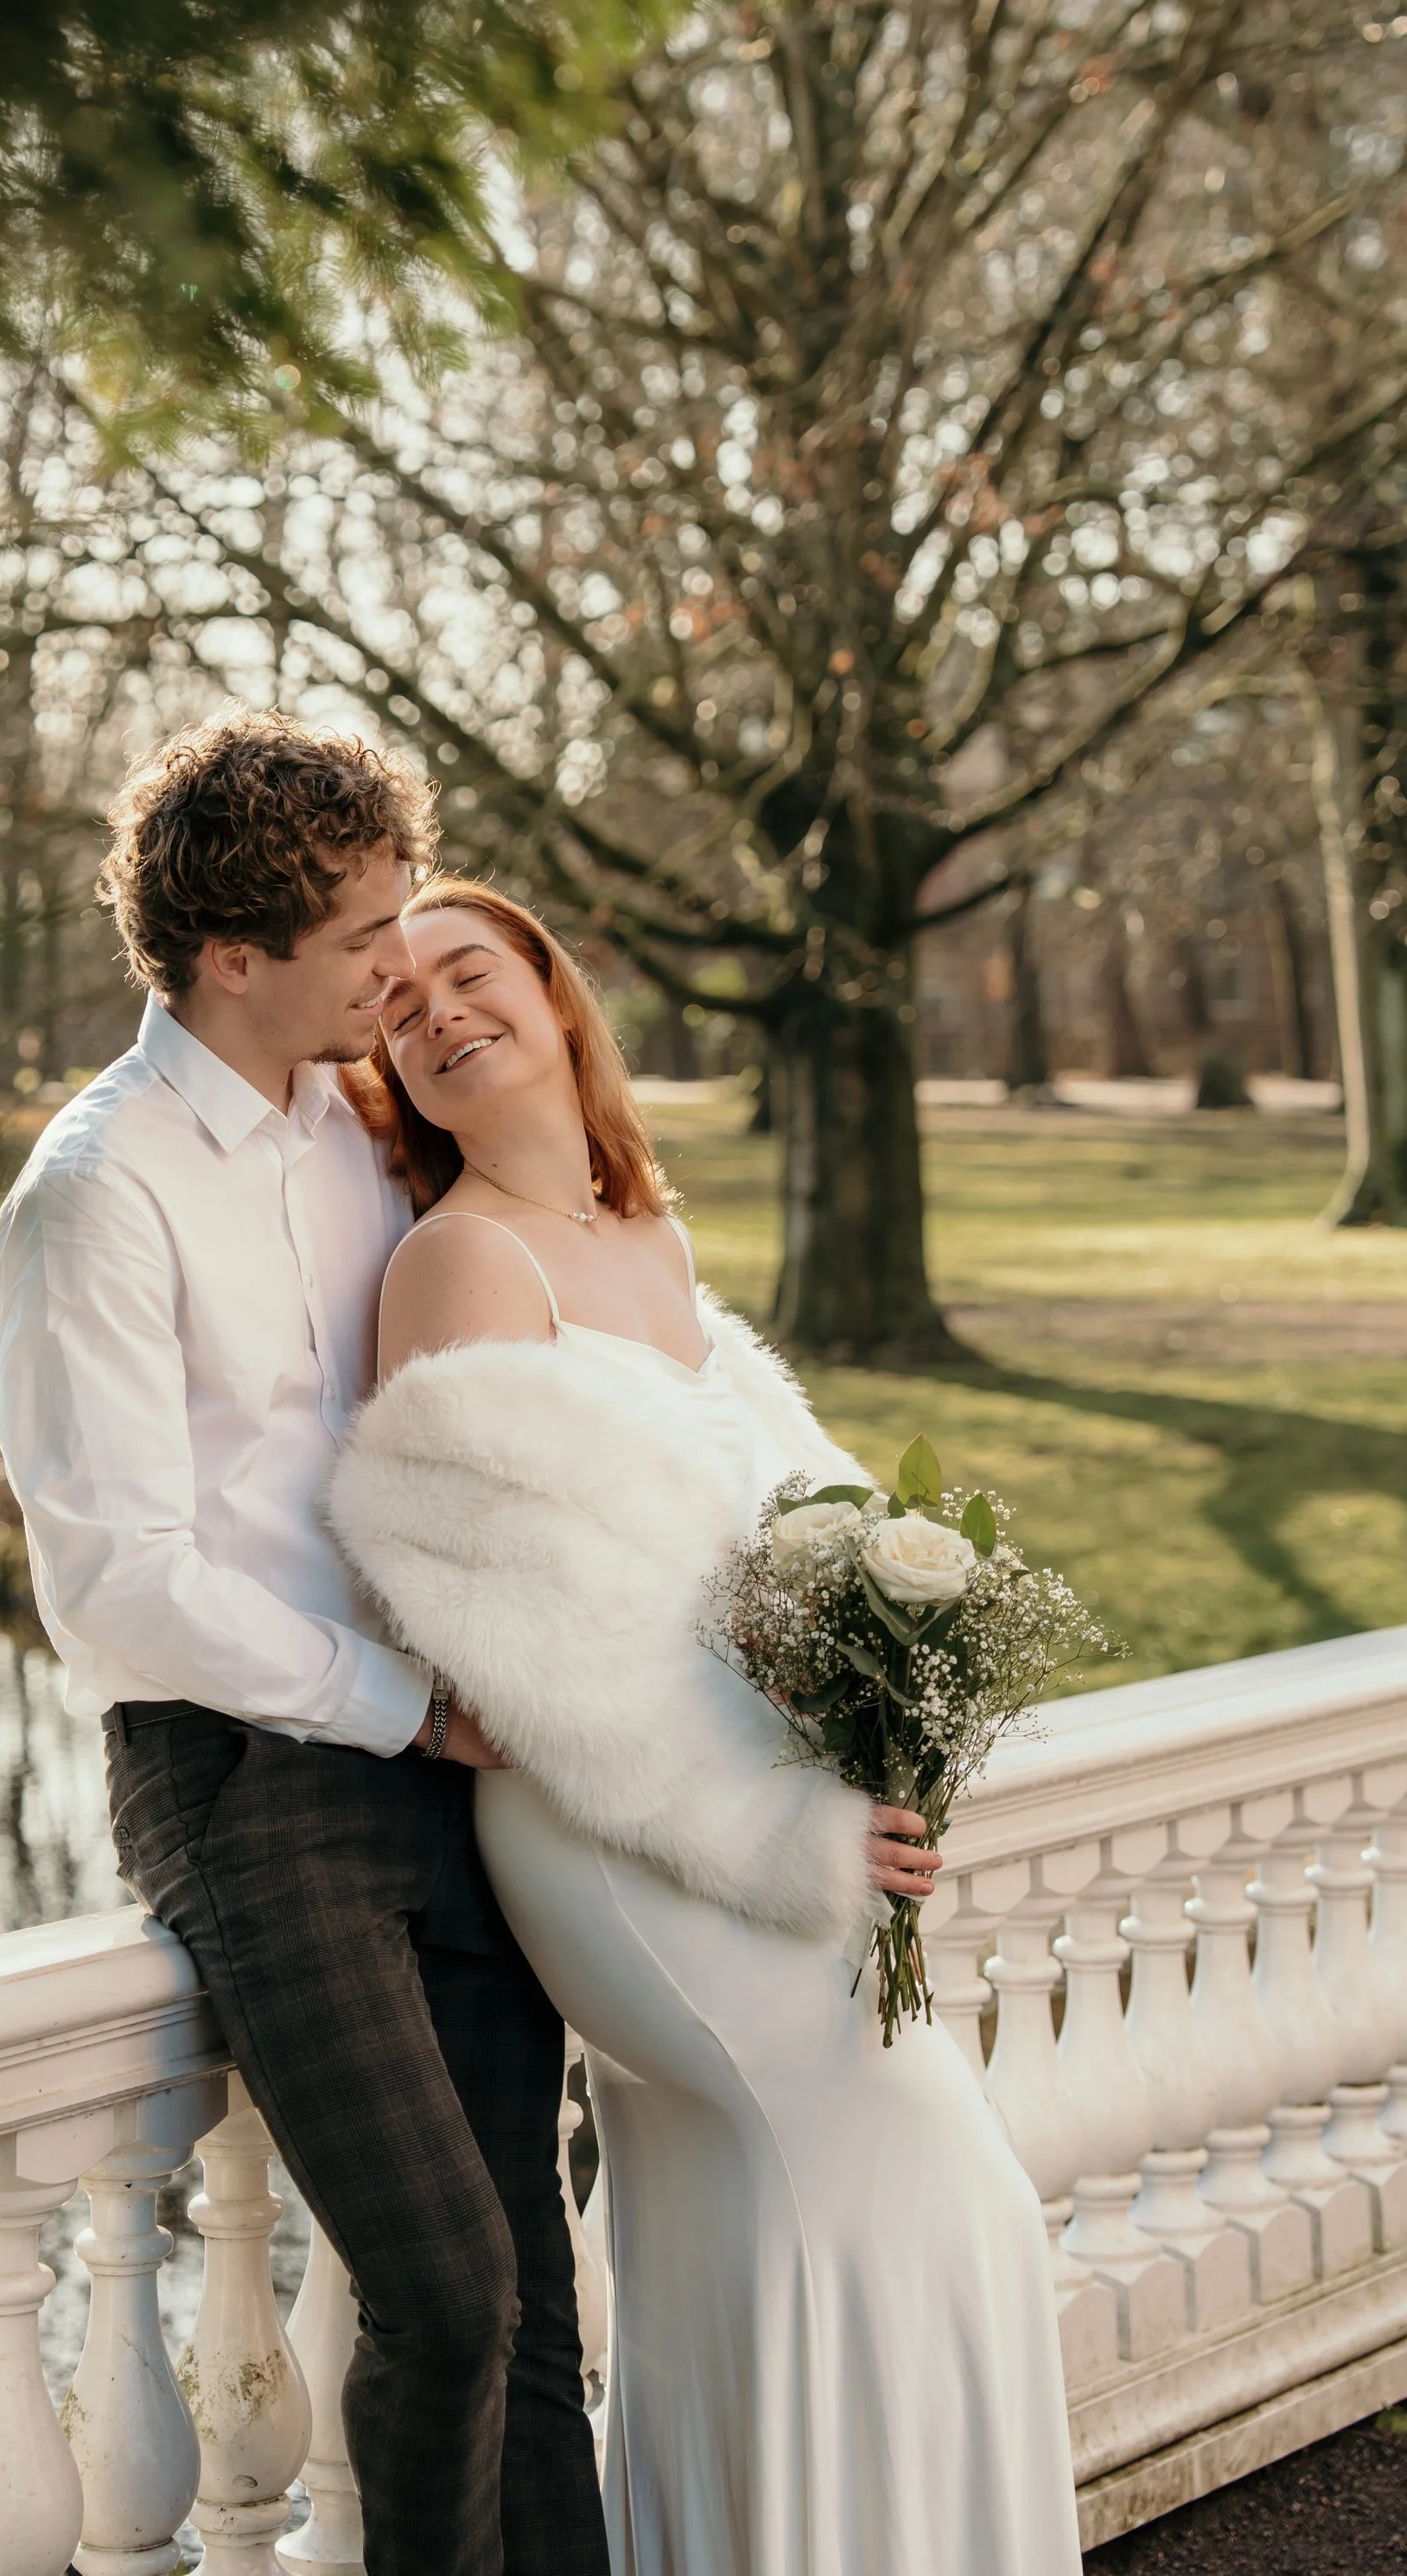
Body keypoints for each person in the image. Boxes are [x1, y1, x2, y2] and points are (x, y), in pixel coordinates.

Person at [328, 876, 1085, 2576]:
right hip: (630, 1836)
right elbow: (542, 1656)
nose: (438, 1011)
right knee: (921, 2193)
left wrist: (895, 1709)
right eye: (396, 1007)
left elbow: (776, 1551)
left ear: (553, 986)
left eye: (470, 973)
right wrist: (791, 1837)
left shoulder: (645, 1240)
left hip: (754, 1812)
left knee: (759, 2233)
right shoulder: (457, 1259)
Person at [0, 716, 610, 2576]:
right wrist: (407, 1711)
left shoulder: (358, 1133)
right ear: (232, 958)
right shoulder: (95, 1195)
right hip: (250, 1789)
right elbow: (115, 1584)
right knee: (441, 2291)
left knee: (536, 2302)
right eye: (359, 936)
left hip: (442, 1763)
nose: (394, 962)